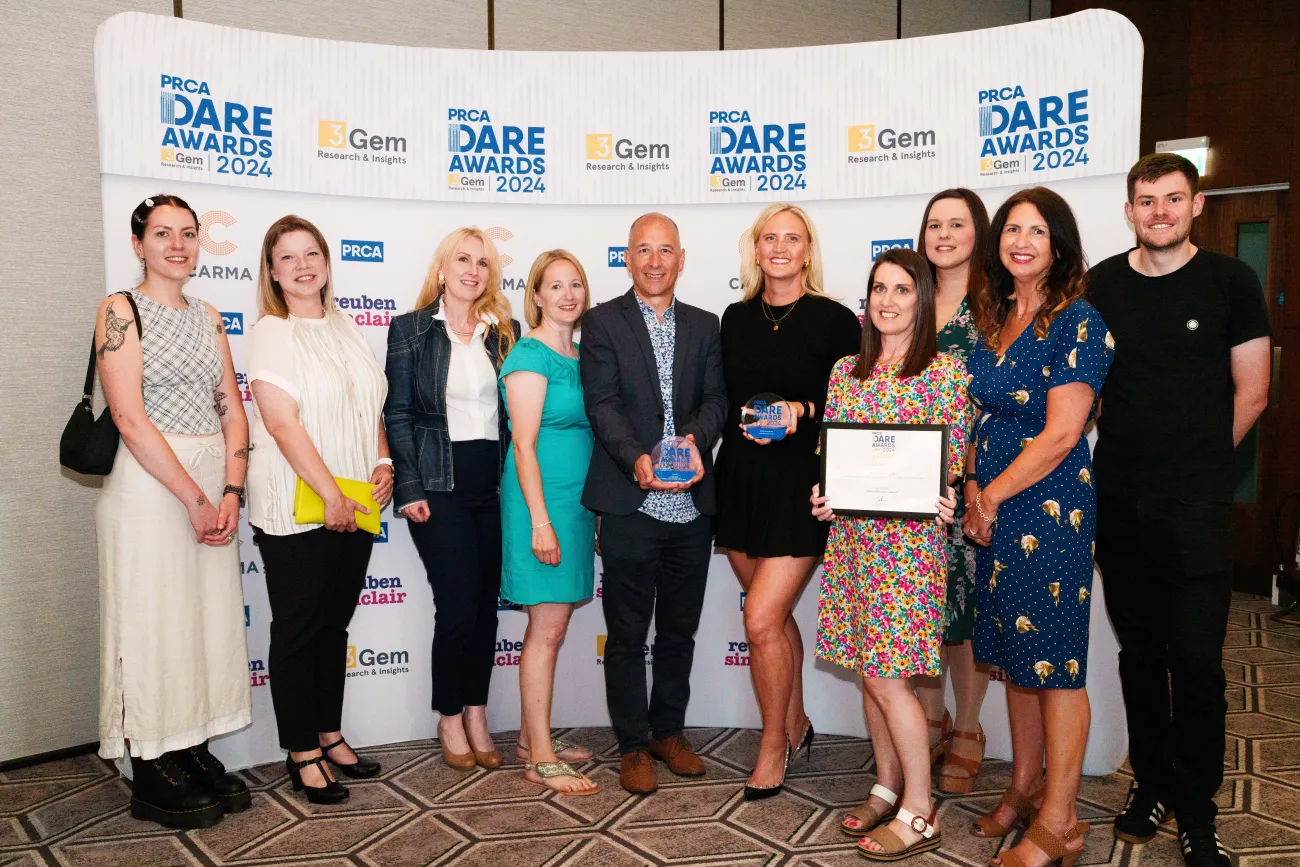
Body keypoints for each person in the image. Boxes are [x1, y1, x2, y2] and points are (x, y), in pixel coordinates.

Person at [1088, 154, 1270, 867]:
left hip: (1196, 507)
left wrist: (1192, 463)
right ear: (1129, 209)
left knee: (1197, 663)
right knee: (1140, 655)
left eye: (1172, 199)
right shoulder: (1100, 284)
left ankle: (1198, 809)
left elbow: (1251, 393)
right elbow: (1089, 391)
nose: (1158, 211)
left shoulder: (1232, 281)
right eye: (1145, 200)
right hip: (1120, 504)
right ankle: (1151, 784)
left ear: (1196, 205)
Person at [962, 187, 1113, 867]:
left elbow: (1059, 436)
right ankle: (1023, 788)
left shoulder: (1079, 322)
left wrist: (988, 495)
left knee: (1054, 668)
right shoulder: (990, 316)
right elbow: (977, 412)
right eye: (1011, 229)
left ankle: (1060, 819)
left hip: (1049, 508)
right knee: (1019, 659)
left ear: (1059, 245)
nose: (1021, 241)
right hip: (991, 504)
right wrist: (971, 485)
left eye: (1037, 231)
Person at [95, 195, 252, 829]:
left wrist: (232, 490)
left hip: (213, 483)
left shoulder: (209, 314)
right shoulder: (119, 310)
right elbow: (129, 417)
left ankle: (188, 744)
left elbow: (231, 406)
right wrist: (194, 497)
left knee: (202, 622)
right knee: (152, 619)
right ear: (139, 244)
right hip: (152, 485)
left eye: (188, 234)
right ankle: (150, 764)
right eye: (162, 234)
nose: (178, 245)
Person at [810, 247, 965, 861]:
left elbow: (949, 465)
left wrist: (946, 495)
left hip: (907, 550)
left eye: (903, 290)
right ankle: (886, 785)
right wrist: (822, 494)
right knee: (868, 671)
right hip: (851, 544)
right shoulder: (845, 371)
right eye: (879, 288)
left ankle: (921, 811)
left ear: (921, 300)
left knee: (886, 675)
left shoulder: (945, 372)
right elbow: (833, 455)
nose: (889, 300)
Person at [714, 203, 860, 799]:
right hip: (741, 480)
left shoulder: (835, 320)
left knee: (759, 618)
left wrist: (803, 412)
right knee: (772, 619)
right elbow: (723, 398)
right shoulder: (735, 317)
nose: (779, 247)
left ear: (807, 250)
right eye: (769, 237)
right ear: (755, 249)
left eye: (791, 238)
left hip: (803, 488)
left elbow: (855, 409)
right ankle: (797, 724)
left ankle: (772, 742)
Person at [580, 212, 728, 795]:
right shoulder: (600, 323)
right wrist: (638, 460)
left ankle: (669, 732)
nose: (655, 260)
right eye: (643, 249)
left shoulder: (705, 324)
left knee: (679, 631)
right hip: (629, 503)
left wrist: (692, 442)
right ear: (628, 258)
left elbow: (717, 398)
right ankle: (633, 744)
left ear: (681, 258)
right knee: (625, 634)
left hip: (691, 506)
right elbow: (603, 404)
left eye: (665, 250)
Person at [246, 215, 390, 804]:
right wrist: (330, 494)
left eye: (312, 254)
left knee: (334, 626)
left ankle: (330, 735)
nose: (303, 265)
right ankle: (300, 749)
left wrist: (384, 462)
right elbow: (281, 424)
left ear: (327, 263)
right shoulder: (272, 332)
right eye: (288, 258)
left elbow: (369, 407)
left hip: (355, 502)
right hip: (298, 506)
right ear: (273, 272)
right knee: (299, 630)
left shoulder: (346, 325)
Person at [384, 227, 520, 771]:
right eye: (461, 260)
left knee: (486, 607)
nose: (472, 270)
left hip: (493, 485)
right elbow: (397, 415)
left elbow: (514, 416)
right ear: (442, 269)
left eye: (482, 263)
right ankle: (448, 715)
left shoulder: (503, 334)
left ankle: (478, 710)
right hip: (438, 487)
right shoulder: (410, 331)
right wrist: (409, 487)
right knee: (459, 607)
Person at [500, 250, 599, 796]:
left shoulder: (584, 355)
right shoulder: (529, 355)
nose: (567, 295)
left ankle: (529, 738)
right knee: (547, 629)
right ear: (535, 295)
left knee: (553, 629)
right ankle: (539, 756)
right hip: (542, 506)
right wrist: (540, 521)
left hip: (577, 507)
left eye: (575, 284)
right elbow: (523, 444)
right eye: (555, 286)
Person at [909, 188, 995, 795]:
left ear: (978, 232)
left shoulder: (999, 303)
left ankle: (967, 727)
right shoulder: (906, 298)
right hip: (910, 481)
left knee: (967, 610)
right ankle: (930, 720)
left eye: (957, 224)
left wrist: (974, 480)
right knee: (925, 611)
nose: (944, 234)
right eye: (934, 224)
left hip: (977, 476)